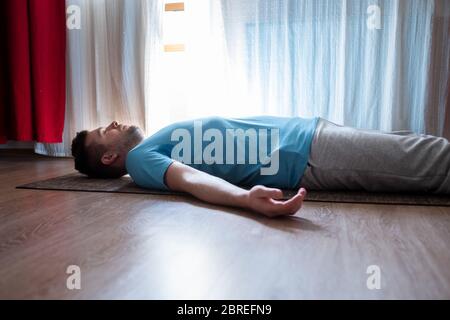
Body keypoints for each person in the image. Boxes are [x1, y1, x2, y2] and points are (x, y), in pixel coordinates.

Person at [71, 116, 450, 218]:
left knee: (411, 146)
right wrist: (245, 199)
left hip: (308, 133)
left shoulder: (152, 145)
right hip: (306, 153)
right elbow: (190, 180)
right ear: (108, 157)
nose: (115, 123)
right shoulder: (139, 161)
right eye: (105, 131)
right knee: (433, 159)